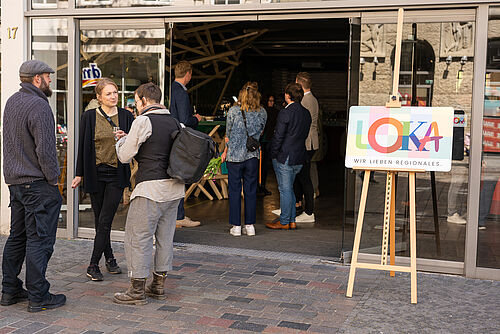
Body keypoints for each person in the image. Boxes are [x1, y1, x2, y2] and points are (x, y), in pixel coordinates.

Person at [1, 60, 66, 312]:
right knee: (39, 240)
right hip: (37, 184)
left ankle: (10, 290)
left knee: (17, 237)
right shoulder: (39, 105)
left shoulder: (12, 101)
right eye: (48, 77)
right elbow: (47, 151)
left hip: (15, 184)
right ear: (37, 79)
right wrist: (54, 181)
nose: (51, 81)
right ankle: (38, 296)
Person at [113, 83, 185, 305]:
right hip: (174, 189)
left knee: (138, 238)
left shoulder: (143, 121)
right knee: (165, 239)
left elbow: (125, 156)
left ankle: (136, 291)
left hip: (150, 189)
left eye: (136, 101)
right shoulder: (176, 122)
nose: (136, 106)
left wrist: (120, 141)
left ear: (144, 100)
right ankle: (158, 286)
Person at [72, 78, 135, 281]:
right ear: (99, 98)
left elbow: (134, 145)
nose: (113, 96)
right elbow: (83, 147)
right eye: (108, 93)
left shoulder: (126, 116)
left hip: (116, 175)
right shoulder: (89, 117)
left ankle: (92, 265)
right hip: (95, 174)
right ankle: (110, 258)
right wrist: (79, 173)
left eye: (115, 92)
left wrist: (126, 138)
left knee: (106, 220)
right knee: (101, 222)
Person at [221, 82, 267, 236]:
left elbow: (227, 134)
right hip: (252, 156)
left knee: (234, 191)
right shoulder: (262, 113)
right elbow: (261, 133)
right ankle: (250, 225)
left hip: (234, 156)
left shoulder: (233, 111)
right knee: (251, 190)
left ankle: (235, 226)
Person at [266, 83, 311, 230]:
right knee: (289, 189)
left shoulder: (285, 112)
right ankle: (291, 220)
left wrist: (273, 153)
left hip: (285, 156)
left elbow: (278, 136)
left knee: (285, 189)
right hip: (299, 156)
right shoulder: (306, 113)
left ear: (287, 95)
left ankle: (284, 221)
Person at [170, 60, 202, 228]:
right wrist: (196, 119)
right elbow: (184, 121)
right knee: (180, 176)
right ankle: (179, 215)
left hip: (171, 137)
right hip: (180, 140)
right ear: (188, 74)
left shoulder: (170, 89)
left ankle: (176, 214)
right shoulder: (181, 92)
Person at [293, 72, 319, 223]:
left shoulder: (306, 100)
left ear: (300, 85)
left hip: (306, 142)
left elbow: (301, 123)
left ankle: (309, 212)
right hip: (310, 141)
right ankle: (298, 205)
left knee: (304, 177)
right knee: (300, 176)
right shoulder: (312, 99)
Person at [258, 94, 279, 196]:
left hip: (268, 140)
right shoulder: (264, 111)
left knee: (264, 165)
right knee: (262, 165)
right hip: (263, 141)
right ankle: (260, 186)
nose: (271, 102)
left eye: (272, 101)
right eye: (270, 101)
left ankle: (262, 186)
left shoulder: (273, 112)